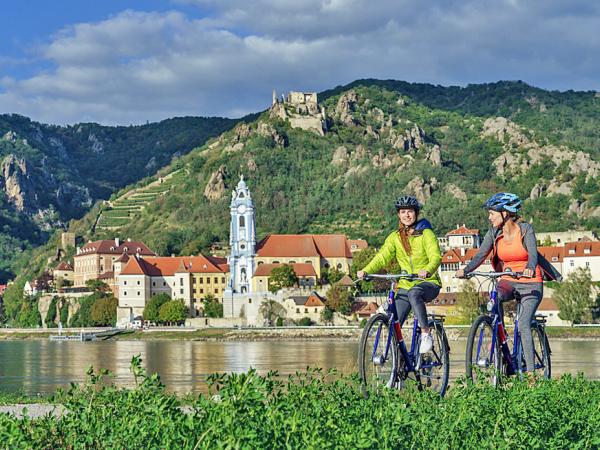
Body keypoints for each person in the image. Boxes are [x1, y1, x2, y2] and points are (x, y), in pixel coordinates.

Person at [456, 192, 561, 372]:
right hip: (507, 279)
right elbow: (481, 254)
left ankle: (531, 374)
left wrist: (529, 267)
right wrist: (466, 270)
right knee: (494, 298)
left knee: (523, 323)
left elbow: (534, 254)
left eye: (492, 213)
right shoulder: (493, 233)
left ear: (505, 213)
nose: (489, 217)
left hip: (530, 281)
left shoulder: (526, 229)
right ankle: (499, 337)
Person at [357, 195, 442, 353]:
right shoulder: (395, 237)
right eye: (403, 212)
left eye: (410, 211)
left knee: (414, 293)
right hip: (405, 285)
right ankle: (400, 365)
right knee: (394, 322)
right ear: (398, 215)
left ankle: (426, 334)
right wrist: (366, 270)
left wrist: (428, 270)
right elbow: (382, 257)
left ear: (416, 213)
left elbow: (436, 256)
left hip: (428, 283)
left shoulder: (426, 234)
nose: (406, 215)